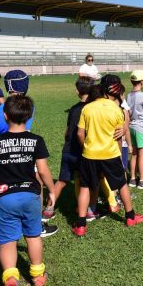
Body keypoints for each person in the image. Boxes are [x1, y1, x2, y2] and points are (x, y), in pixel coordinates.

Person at [0, 95, 56, 286]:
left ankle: (10, 276)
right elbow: (43, 171)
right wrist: (51, 191)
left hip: (4, 196)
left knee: (8, 241)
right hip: (31, 196)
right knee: (33, 236)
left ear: (4, 115)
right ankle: (37, 274)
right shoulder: (36, 140)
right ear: (29, 117)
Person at [73, 74, 143, 237]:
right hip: (110, 154)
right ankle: (130, 217)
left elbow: (80, 133)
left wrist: (86, 146)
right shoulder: (117, 110)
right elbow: (119, 135)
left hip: (89, 154)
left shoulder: (88, 107)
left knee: (85, 187)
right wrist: (120, 155)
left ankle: (81, 225)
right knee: (121, 184)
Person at [42, 77, 102, 223]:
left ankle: (48, 210)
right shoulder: (92, 109)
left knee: (62, 181)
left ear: (77, 91)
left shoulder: (74, 109)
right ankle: (90, 209)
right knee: (91, 182)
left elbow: (68, 131)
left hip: (68, 150)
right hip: (85, 152)